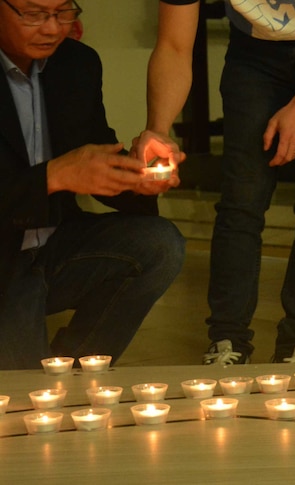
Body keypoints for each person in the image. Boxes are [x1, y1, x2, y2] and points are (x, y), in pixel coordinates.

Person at [139, 0, 295, 365]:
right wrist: (158, 128)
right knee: (241, 200)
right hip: (253, 53)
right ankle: (227, 339)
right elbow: (173, 44)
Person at [0, 0, 186, 370]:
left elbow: (93, 158)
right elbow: (65, 172)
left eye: (64, 12)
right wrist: (52, 177)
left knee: (158, 244)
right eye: (34, 14)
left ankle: (73, 366)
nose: (52, 28)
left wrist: (137, 175)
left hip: (51, 243)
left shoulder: (76, 63)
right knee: (19, 392)